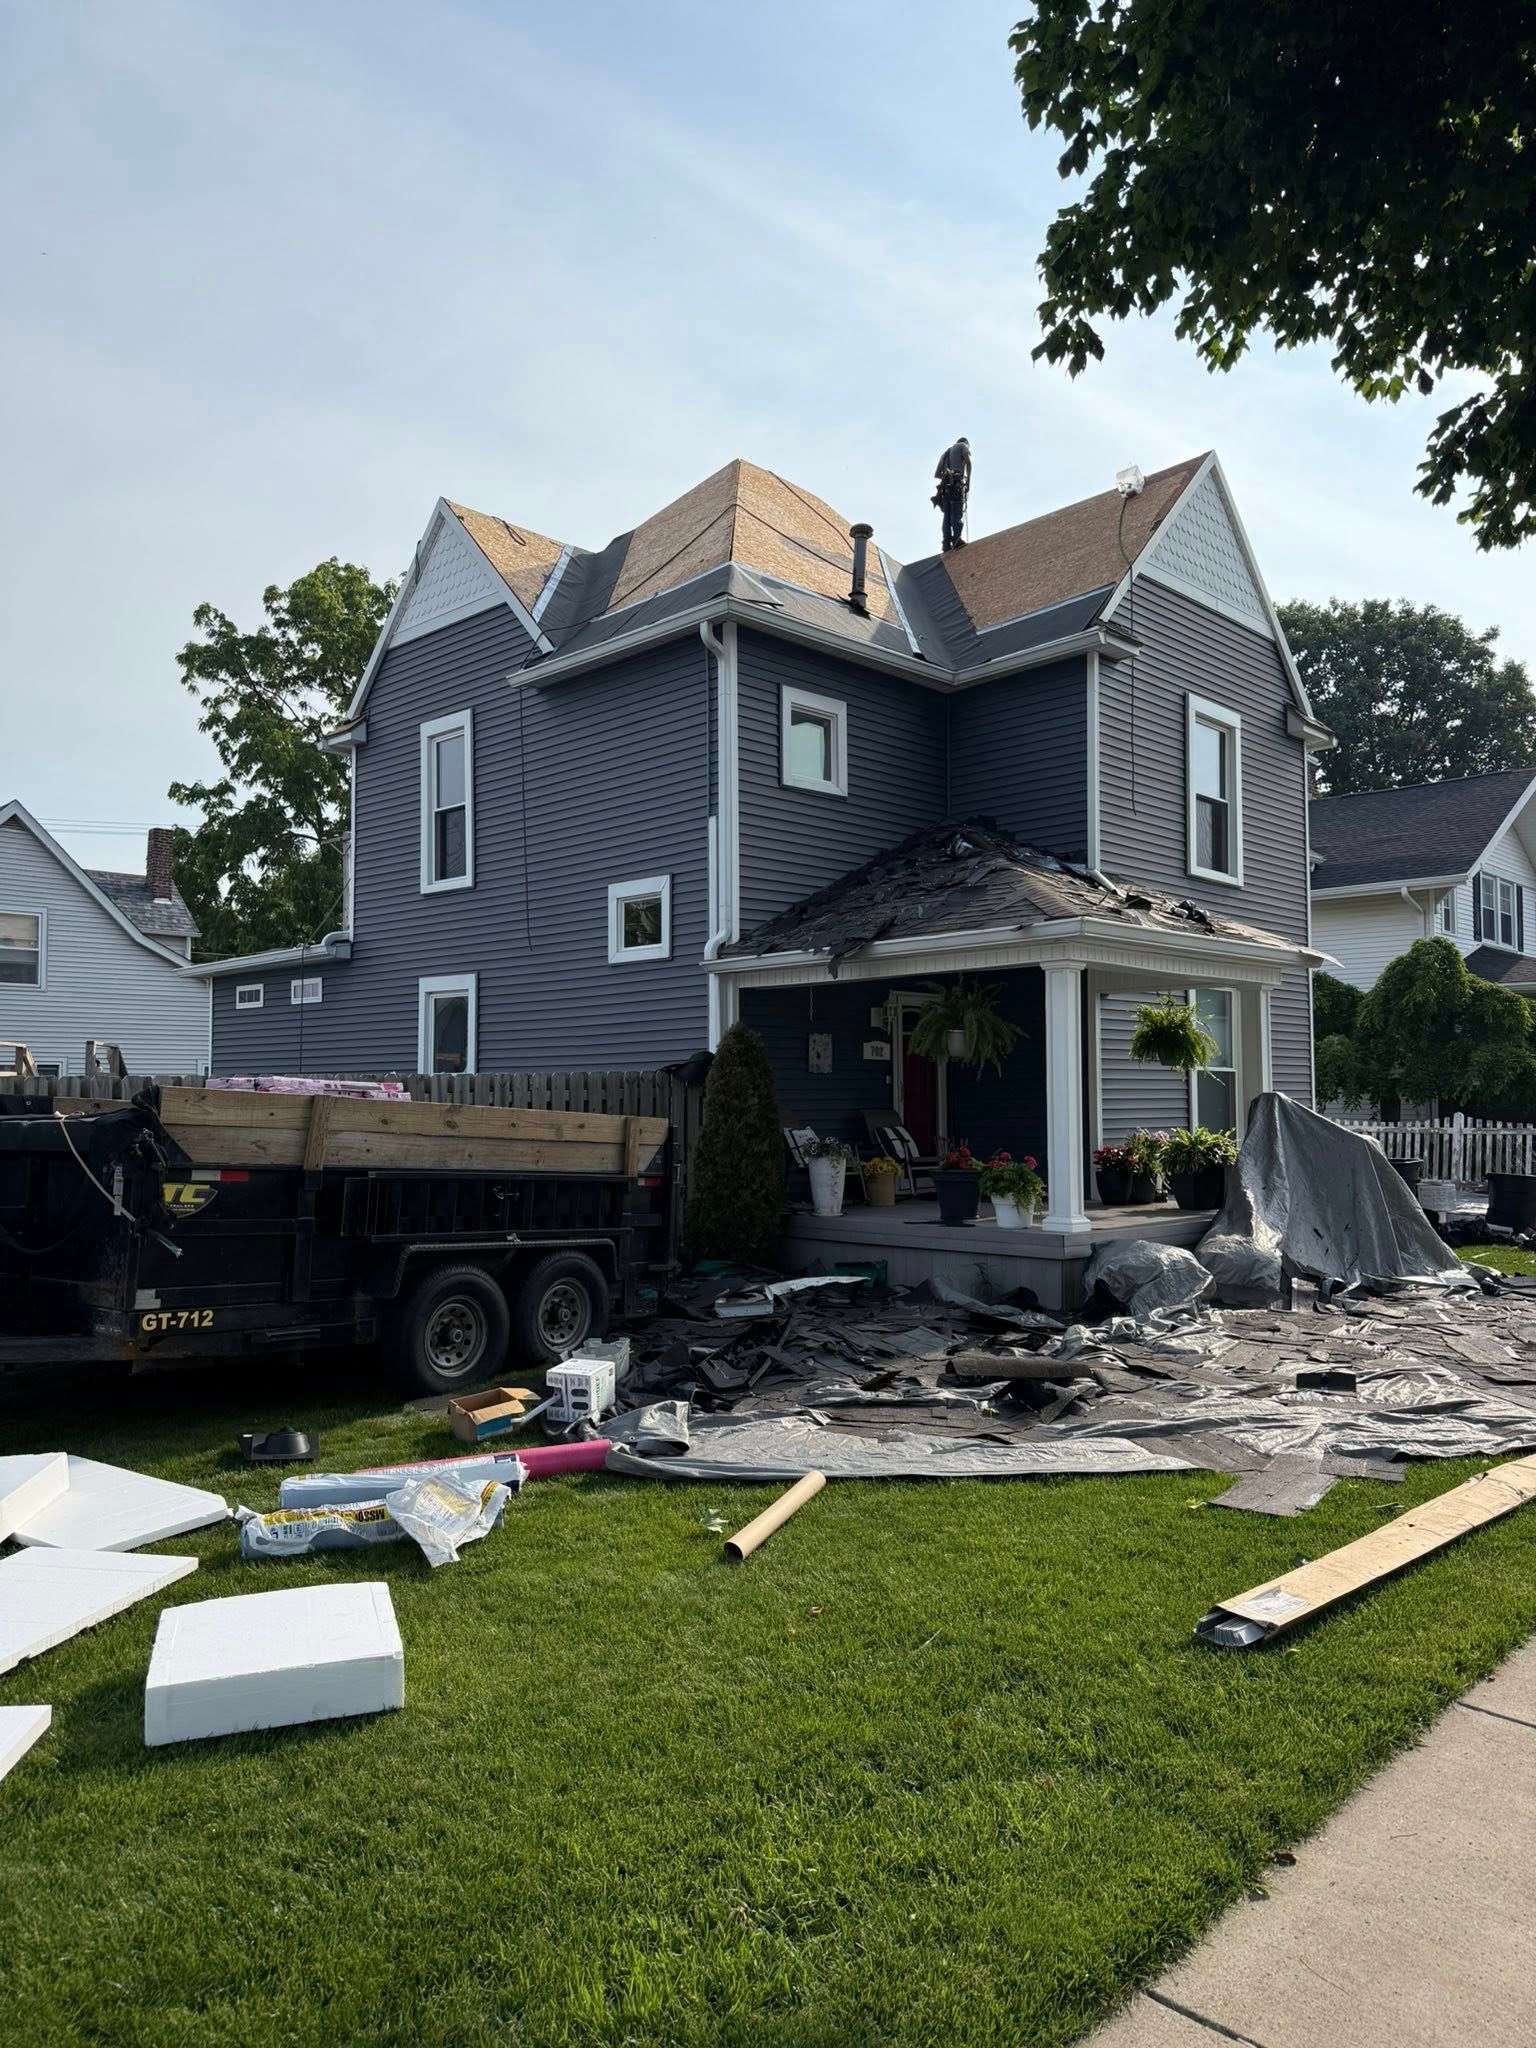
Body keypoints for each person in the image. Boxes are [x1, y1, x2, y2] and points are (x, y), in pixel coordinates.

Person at [932, 437, 971, 551]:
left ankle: (946, 543)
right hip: (956, 486)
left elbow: (937, 474)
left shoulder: (945, 453)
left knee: (947, 516)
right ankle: (957, 540)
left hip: (945, 489)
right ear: (966, 443)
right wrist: (967, 481)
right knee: (956, 513)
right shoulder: (963, 446)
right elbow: (968, 463)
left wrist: (948, 476)